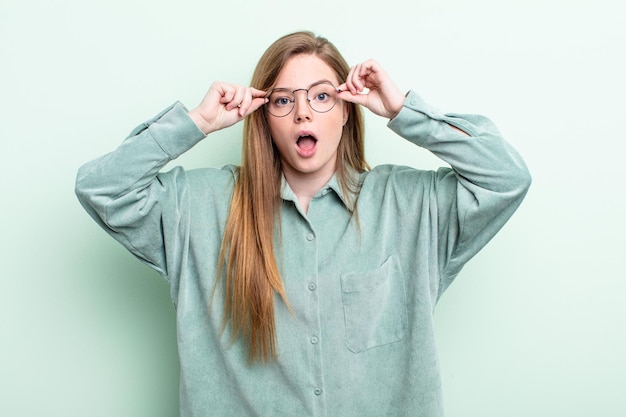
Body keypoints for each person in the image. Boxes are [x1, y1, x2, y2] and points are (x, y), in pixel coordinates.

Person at [75, 30, 531, 417]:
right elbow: (101, 188)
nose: (302, 112)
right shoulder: (199, 208)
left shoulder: (412, 205)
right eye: (282, 100)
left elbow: (506, 177)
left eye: (321, 96)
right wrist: (195, 123)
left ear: (346, 108)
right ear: (263, 117)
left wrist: (403, 112)